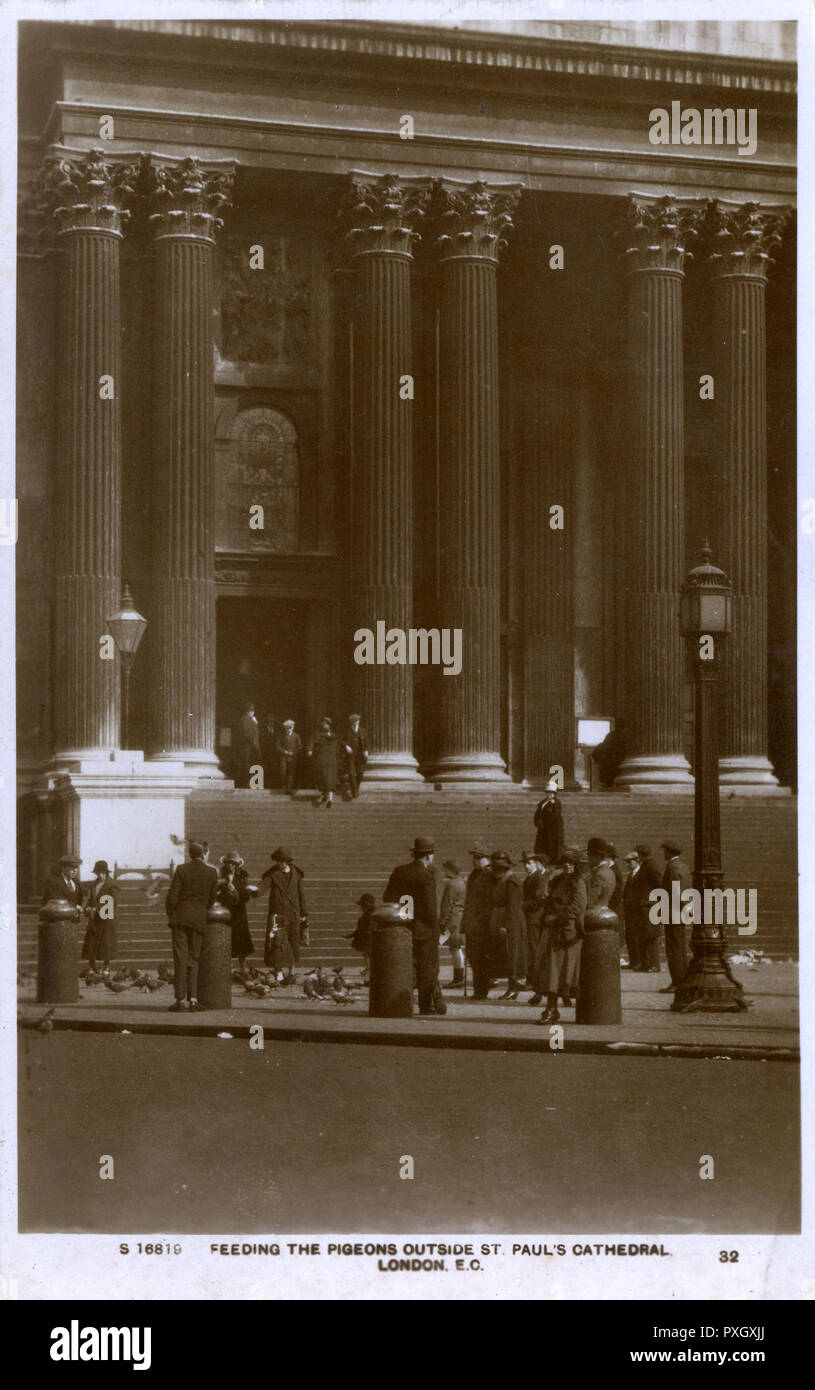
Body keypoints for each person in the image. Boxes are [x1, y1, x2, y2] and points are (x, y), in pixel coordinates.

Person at [383, 836, 446, 1017]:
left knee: (403, 966)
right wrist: (436, 928)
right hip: (425, 930)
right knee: (427, 969)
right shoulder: (426, 876)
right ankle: (425, 1006)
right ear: (428, 856)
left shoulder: (400, 871)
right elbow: (429, 908)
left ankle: (403, 1003)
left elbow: (387, 897)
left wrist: (406, 910)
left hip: (403, 927)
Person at [533, 848, 586, 1025]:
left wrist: (556, 917)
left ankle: (552, 1009)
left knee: (560, 974)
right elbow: (548, 902)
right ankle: (551, 1008)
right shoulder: (558, 880)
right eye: (565, 862)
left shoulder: (579, 883)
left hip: (567, 933)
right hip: (552, 932)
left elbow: (578, 906)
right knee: (550, 972)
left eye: (571, 863)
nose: (568, 866)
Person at [165, 841, 218, 1012]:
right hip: (199, 920)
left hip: (180, 919)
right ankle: (194, 999)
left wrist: (172, 914)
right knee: (193, 959)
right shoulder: (212, 872)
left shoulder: (181, 870)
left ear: (189, 854)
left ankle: (180, 1000)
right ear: (204, 854)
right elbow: (211, 900)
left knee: (180, 958)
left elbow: (172, 898)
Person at [260, 846, 308, 980]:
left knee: (293, 943)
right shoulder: (273, 874)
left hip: (294, 914)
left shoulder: (297, 874)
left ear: (287, 861)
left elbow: (301, 894)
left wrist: (304, 914)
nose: (279, 864)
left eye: (282, 861)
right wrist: (254, 891)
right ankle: (278, 971)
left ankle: (292, 970)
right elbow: (263, 886)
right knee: (277, 943)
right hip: (279, 915)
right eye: (277, 861)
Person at [487, 851, 527, 1000]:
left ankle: (513, 988)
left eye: (499, 868)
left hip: (511, 921)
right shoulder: (500, 879)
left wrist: (506, 924)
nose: (496, 871)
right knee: (505, 954)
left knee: (512, 953)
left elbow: (513, 906)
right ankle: (511, 987)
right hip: (500, 917)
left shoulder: (511, 881)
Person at [216, 850, 257, 979]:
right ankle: (226, 969)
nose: (231, 866)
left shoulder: (243, 875)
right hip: (226, 912)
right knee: (226, 940)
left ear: (238, 865)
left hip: (239, 913)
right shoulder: (220, 874)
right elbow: (216, 892)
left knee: (241, 942)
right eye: (229, 863)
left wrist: (235, 891)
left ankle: (243, 969)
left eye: (233, 864)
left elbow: (245, 896)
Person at [659, 839, 691, 992]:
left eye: (665, 850)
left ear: (670, 852)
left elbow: (675, 892)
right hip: (679, 912)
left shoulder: (673, 867)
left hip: (673, 912)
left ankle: (678, 981)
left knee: (674, 949)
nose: (664, 853)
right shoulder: (683, 866)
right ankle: (681, 979)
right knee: (679, 947)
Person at [82, 860, 119, 974]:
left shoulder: (112, 886)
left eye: (103, 873)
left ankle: (106, 966)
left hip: (107, 917)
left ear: (107, 873)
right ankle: (92, 966)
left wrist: (97, 910)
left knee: (106, 942)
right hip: (94, 918)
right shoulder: (94, 885)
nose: (100, 875)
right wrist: (88, 908)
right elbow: (90, 900)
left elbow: (112, 902)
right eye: (98, 873)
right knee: (92, 941)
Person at [521, 852, 548, 1003]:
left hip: (534, 918)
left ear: (536, 863)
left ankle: (532, 980)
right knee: (531, 949)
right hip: (530, 917)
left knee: (533, 949)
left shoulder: (538, 878)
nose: (526, 866)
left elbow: (538, 900)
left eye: (529, 863)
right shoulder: (532, 876)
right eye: (525, 863)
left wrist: (521, 905)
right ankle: (532, 979)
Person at [634, 843, 664, 973]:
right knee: (645, 935)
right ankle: (646, 963)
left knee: (651, 936)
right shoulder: (647, 864)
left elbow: (658, 884)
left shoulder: (651, 865)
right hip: (645, 905)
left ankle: (654, 964)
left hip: (650, 906)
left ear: (641, 854)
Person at [439, 859, 467, 987]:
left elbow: (447, 905)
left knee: (455, 948)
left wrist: (442, 922)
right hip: (460, 916)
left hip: (454, 918)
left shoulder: (452, 884)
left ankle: (458, 978)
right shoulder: (462, 882)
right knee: (456, 948)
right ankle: (459, 977)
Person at [308, 718, 340, 807]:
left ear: (329, 725)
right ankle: (325, 796)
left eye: (326, 724)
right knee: (323, 777)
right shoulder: (318, 735)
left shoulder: (334, 736)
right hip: (323, 759)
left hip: (330, 760)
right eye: (323, 724)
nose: (324, 725)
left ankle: (329, 797)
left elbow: (339, 747)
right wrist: (310, 749)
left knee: (330, 778)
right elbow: (312, 741)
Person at [621, 851, 643, 970]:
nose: (628, 864)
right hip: (630, 911)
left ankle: (638, 961)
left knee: (636, 937)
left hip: (636, 911)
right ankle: (633, 961)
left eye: (630, 862)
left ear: (637, 861)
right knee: (630, 936)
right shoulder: (631, 874)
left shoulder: (640, 874)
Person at [347, 892, 376, 982]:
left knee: (368, 956)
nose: (361, 908)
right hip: (367, 938)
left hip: (368, 939)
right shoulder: (368, 914)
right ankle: (368, 971)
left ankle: (369, 973)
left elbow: (367, 928)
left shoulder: (369, 915)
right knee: (367, 955)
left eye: (362, 906)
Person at [533, 781, 564, 863]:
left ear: (554, 794)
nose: (549, 795)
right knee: (541, 846)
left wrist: (546, 822)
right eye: (548, 793)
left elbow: (556, 816)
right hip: (543, 829)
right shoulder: (542, 803)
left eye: (552, 793)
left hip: (553, 829)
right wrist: (538, 822)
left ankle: (553, 861)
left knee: (552, 846)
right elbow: (537, 814)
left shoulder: (556, 803)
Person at [592, 719, 628, 788]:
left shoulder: (610, 735)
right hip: (617, 766)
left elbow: (601, 748)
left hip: (609, 768)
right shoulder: (624, 737)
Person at [587, 837, 616, 908]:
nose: (588, 857)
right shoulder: (610, 871)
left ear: (596, 855)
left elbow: (591, 900)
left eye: (589, 854)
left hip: (595, 914)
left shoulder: (599, 875)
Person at [344, 714, 368, 797]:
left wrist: (366, 750)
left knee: (360, 773)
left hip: (360, 754)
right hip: (350, 755)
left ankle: (355, 788)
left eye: (356, 721)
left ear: (359, 721)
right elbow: (341, 740)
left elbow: (367, 742)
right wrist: (346, 746)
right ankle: (355, 791)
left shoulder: (363, 731)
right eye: (353, 722)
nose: (355, 723)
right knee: (351, 772)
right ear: (351, 722)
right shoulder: (347, 731)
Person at [275, 719, 302, 795]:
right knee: (283, 772)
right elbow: (277, 745)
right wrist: (284, 751)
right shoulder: (281, 735)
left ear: (293, 727)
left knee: (291, 773)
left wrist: (293, 752)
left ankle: (289, 788)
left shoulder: (296, 735)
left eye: (290, 727)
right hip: (283, 756)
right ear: (285, 728)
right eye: (287, 727)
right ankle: (283, 786)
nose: (289, 729)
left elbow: (299, 746)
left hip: (293, 757)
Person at [240, 701, 262, 787]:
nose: (252, 712)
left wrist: (255, 723)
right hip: (249, 746)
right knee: (248, 764)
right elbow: (247, 733)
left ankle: (254, 783)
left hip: (254, 746)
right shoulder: (245, 719)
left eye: (253, 710)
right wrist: (253, 743)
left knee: (254, 764)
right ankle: (249, 783)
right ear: (247, 711)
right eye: (250, 710)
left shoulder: (252, 720)